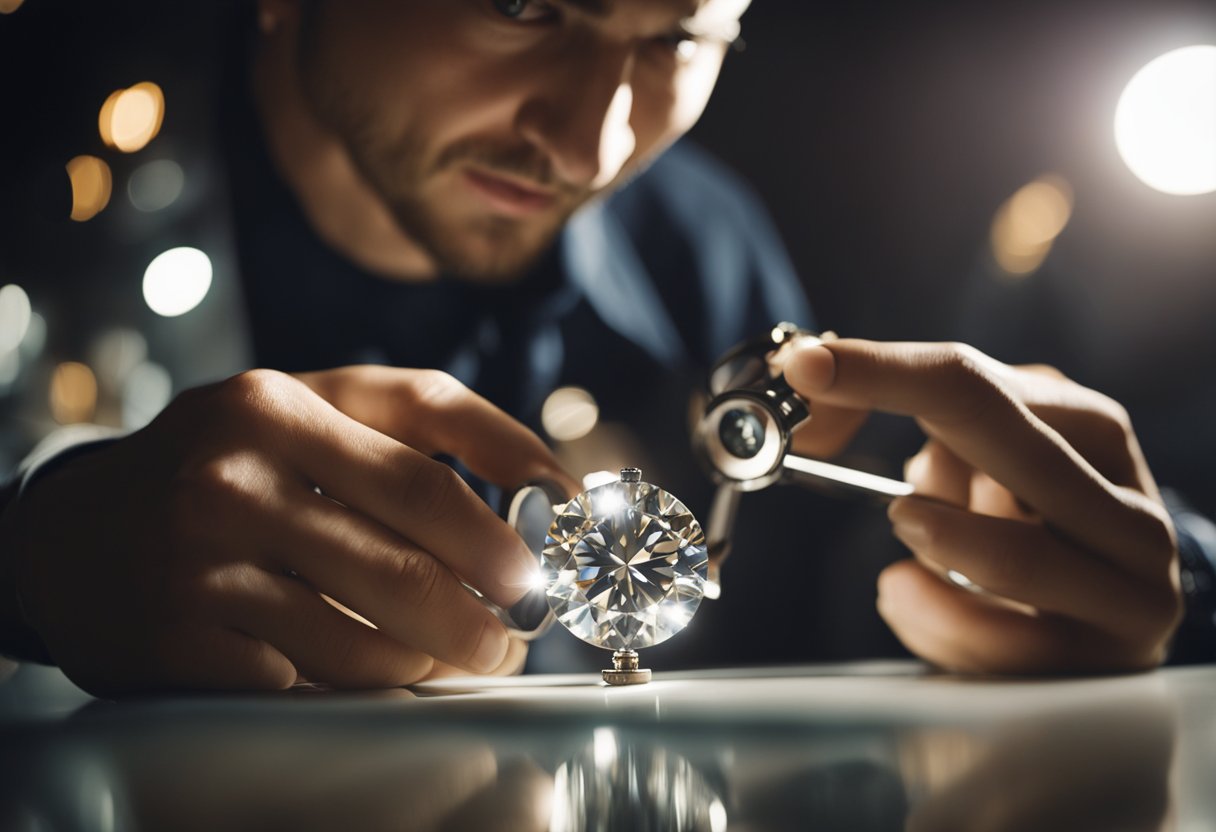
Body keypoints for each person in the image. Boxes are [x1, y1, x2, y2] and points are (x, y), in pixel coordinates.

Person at [0, 0, 1209, 695]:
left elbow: (833, 572)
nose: (592, 143)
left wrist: (1128, 574)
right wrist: (25, 559)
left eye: (676, 36)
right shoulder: (33, 159)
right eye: (524, 5)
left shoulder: (704, 246)